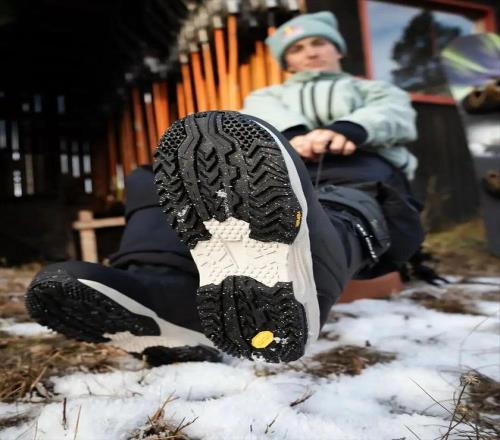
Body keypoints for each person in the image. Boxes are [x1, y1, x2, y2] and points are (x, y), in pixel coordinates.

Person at [25, 12, 423, 365]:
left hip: (357, 164)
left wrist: (349, 129)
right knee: (155, 175)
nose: (310, 52)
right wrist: (297, 134)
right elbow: (258, 116)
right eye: (298, 48)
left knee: (347, 200)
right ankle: (162, 289)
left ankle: (313, 273)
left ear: (337, 49)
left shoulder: (370, 88)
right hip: (282, 161)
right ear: (286, 61)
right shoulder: (269, 96)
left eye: (318, 42)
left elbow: (393, 112)